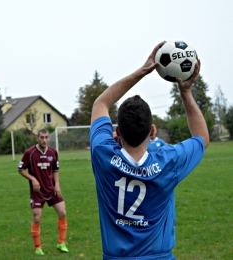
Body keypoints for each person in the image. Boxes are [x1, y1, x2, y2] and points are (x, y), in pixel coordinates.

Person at [89, 41, 209, 260]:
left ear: (117, 132)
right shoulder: (168, 162)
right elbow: (201, 137)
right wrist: (186, 93)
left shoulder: (102, 154)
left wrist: (142, 71)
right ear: (151, 131)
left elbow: (101, 104)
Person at [18, 129, 69, 256]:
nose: (44, 140)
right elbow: (21, 169)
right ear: (37, 138)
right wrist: (33, 179)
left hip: (52, 190)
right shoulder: (29, 153)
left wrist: (57, 185)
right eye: (41, 137)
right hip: (37, 192)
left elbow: (55, 170)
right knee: (37, 217)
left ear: (49, 138)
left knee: (62, 212)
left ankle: (61, 243)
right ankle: (38, 247)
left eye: (46, 137)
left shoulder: (53, 152)